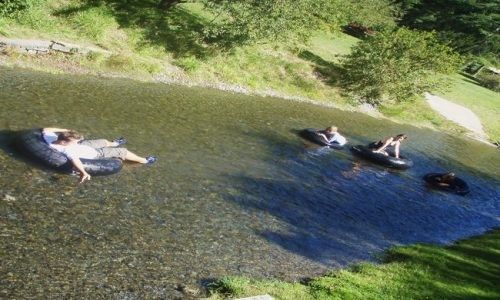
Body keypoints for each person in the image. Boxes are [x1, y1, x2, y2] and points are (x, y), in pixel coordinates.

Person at [42, 128, 156, 183]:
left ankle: (114, 143)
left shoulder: (50, 137)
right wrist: (84, 172)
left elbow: (45, 129)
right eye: (74, 142)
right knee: (123, 152)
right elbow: (75, 160)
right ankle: (144, 161)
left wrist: (65, 130)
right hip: (93, 154)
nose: (76, 142)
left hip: (85, 146)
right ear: (64, 142)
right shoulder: (66, 149)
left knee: (103, 141)